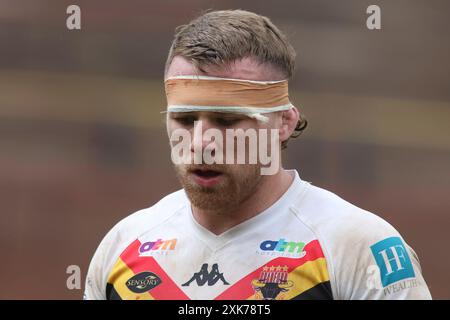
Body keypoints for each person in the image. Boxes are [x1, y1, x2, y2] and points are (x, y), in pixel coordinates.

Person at [84, 9, 431, 300]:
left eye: (227, 121)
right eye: (185, 120)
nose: (202, 142)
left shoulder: (358, 247)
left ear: (284, 122)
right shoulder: (124, 249)